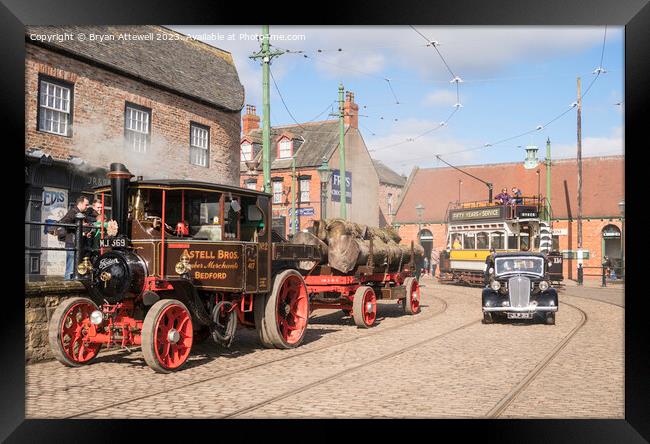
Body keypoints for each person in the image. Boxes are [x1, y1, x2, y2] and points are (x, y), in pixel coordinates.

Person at [58, 196, 89, 280]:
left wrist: (86, 232)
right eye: (86, 205)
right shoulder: (73, 211)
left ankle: (72, 283)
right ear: (80, 203)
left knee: (76, 267)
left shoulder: (82, 214)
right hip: (72, 243)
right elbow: (64, 222)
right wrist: (79, 226)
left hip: (77, 243)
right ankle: (67, 284)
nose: (87, 206)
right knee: (70, 267)